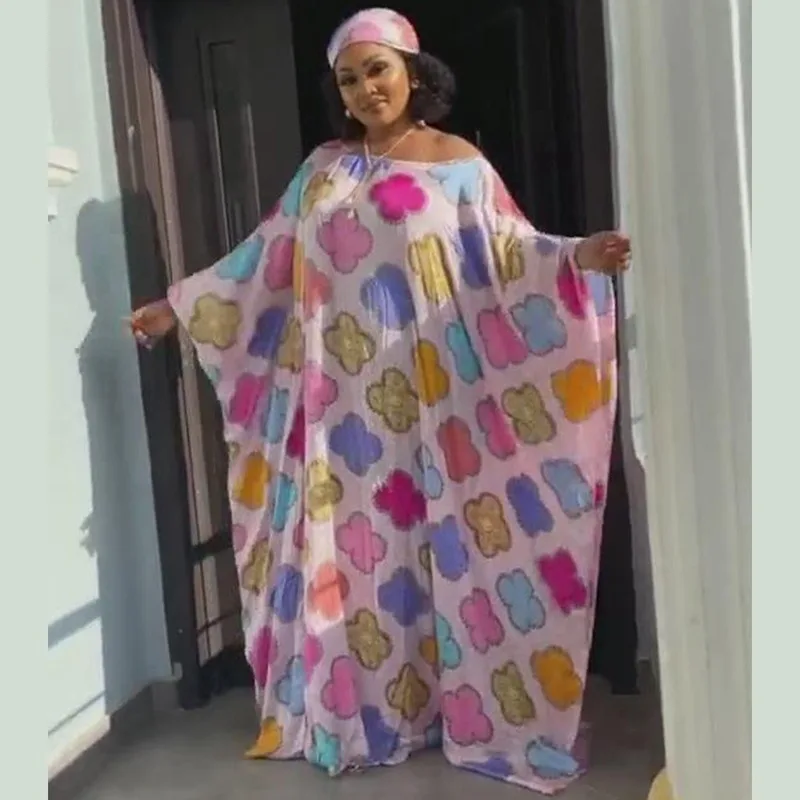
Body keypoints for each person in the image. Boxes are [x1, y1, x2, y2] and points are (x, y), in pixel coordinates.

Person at [130, 7, 631, 794]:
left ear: (412, 72)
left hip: (439, 394)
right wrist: (176, 305)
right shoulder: (323, 171)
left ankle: (470, 710)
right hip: (343, 407)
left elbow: (511, 252)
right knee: (361, 554)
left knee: (454, 545)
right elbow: (262, 260)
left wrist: (579, 257)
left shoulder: (459, 164)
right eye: (349, 79)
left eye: (377, 70)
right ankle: (369, 710)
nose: (365, 89)